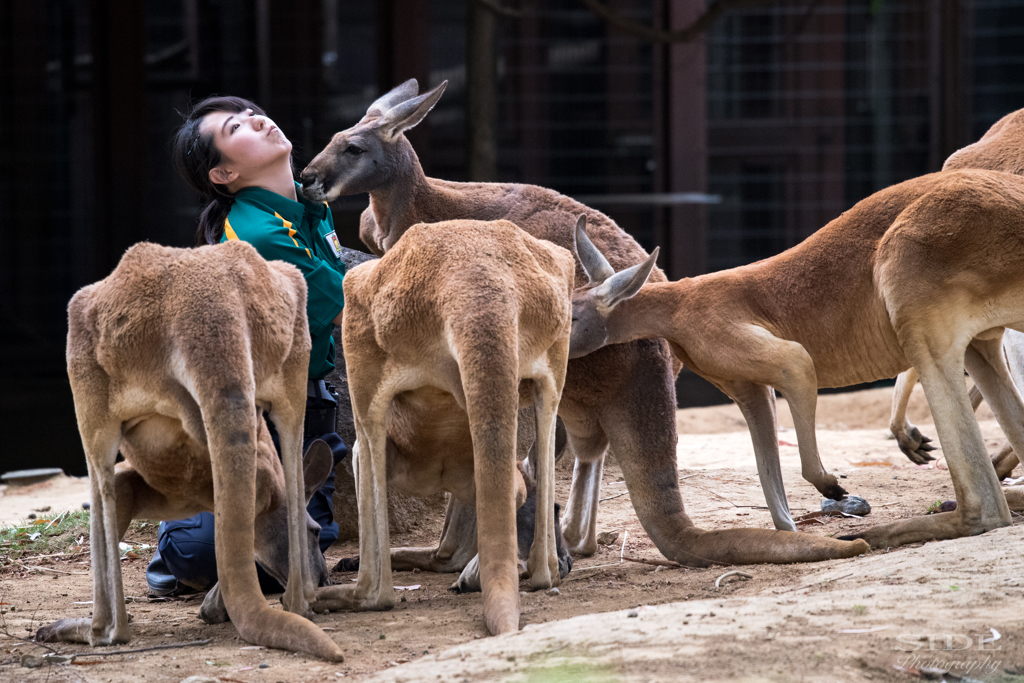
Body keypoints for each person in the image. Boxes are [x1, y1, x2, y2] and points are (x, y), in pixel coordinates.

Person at [145, 96, 348, 595]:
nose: (261, 120)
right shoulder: (257, 231)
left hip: (303, 405)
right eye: (238, 126)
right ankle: (181, 542)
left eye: (256, 113)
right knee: (218, 553)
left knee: (302, 541)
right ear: (223, 174)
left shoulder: (309, 202)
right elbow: (348, 304)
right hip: (243, 412)